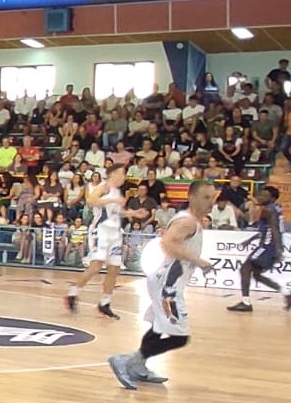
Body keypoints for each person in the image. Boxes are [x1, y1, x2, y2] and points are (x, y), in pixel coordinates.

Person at [109, 179, 215, 391]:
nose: (210, 202)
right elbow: (167, 243)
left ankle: (138, 366)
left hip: (166, 281)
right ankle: (127, 360)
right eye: (206, 197)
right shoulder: (187, 222)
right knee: (180, 337)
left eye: (212, 197)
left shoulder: (192, 221)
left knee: (158, 328)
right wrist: (198, 260)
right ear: (192, 197)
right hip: (168, 286)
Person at [63, 164, 129, 319]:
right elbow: (91, 200)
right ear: (113, 174)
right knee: (95, 267)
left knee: (114, 268)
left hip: (114, 232)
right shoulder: (104, 187)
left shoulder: (117, 191)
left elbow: (116, 212)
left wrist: (133, 213)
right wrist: (112, 199)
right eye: (122, 173)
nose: (124, 176)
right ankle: (73, 294)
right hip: (101, 231)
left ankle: (105, 303)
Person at [229, 186, 291, 312]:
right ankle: (287, 293)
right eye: (260, 194)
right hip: (268, 245)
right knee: (256, 275)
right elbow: (268, 230)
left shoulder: (267, 210)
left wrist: (278, 250)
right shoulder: (275, 208)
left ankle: (246, 303)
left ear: (271, 198)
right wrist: (250, 240)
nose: (260, 197)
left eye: (264, 195)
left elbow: (275, 231)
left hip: (267, 246)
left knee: (245, 269)